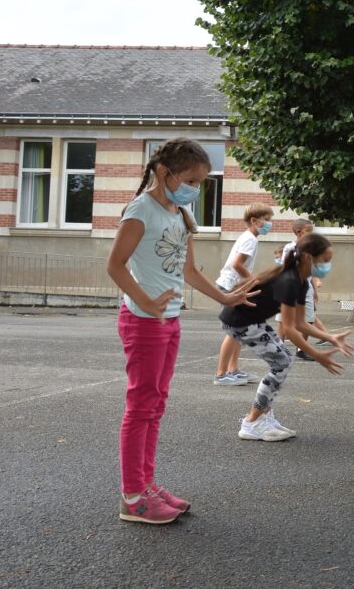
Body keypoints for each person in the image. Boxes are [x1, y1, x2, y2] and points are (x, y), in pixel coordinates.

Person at [107, 138, 258, 524]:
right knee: (141, 406)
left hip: (169, 320)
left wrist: (226, 296)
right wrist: (147, 301)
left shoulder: (180, 213)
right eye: (190, 180)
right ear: (164, 172)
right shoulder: (141, 210)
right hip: (143, 321)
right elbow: (115, 265)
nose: (195, 188)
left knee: (155, 404)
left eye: (200, 182)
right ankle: (133, 497)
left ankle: (146, 484)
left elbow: (189, 271)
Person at [220, 233, 354, 441]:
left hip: (252, 320)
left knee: (284, 361)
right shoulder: (289, 280)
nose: (328, 265)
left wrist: (331, 337)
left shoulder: (301, 282)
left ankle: (264, 417)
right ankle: (252, 422)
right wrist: (317, 355)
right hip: (240, 321)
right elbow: (290, 329)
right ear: (309, 257)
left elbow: (301, 323)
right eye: (325, 260)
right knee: (281, 362)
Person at [213, 203, 274, 385]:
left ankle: (233, 370)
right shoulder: (250, 239)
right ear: (254, 221)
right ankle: (221, 374)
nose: (269, 224)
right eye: (267, 220)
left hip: (233, 287)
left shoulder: (249, 237)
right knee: (234, 330)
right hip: (231, 288)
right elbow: (237, 264)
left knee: (240, 328)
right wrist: (253, 281)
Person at [275, 218, 324, 361]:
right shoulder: (290, 248)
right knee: (283, 320)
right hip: (290, 286)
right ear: (298, 232)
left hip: (306, 287)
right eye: (308, 231)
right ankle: (279, 348)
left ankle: (301, 349)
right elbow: (284, 268)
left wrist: (314, 290)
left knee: (309, 319)